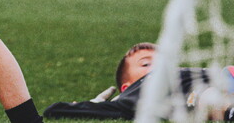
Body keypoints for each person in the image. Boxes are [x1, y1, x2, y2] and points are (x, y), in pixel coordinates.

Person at [44, 42, 234, 121]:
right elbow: (53, 110)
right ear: (126, 88)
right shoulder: (132, 96)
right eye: (146, 64)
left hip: (224, 79)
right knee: (208, 97)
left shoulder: (188, 72)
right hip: (202, 96)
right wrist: (92, 105)